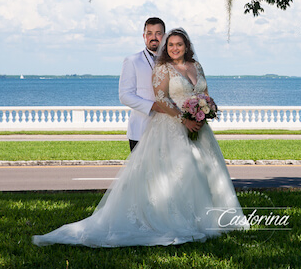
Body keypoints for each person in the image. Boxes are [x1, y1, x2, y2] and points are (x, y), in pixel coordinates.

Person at [32, 28, 248, 247]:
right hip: (172, 127)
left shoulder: (196, 66)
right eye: (171, 45)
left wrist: (205, 111)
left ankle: (209, 218)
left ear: (186, 47)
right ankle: (179, 220)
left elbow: (204, 94)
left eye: (179, 45)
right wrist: (186, 120)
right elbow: (162, 100)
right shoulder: (162, 69)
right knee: (179, 174)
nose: (174, 48)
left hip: (200, 129)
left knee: (204, 172)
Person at [119, 17, 165, 151]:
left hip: (168, 132)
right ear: (144, 36)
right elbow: (125, 95)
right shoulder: (132, 61)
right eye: (149, 33)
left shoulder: (173, 62)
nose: (154, 37)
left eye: (158, 33)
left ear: (165, 35)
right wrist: (153, 106)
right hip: (140, 130)